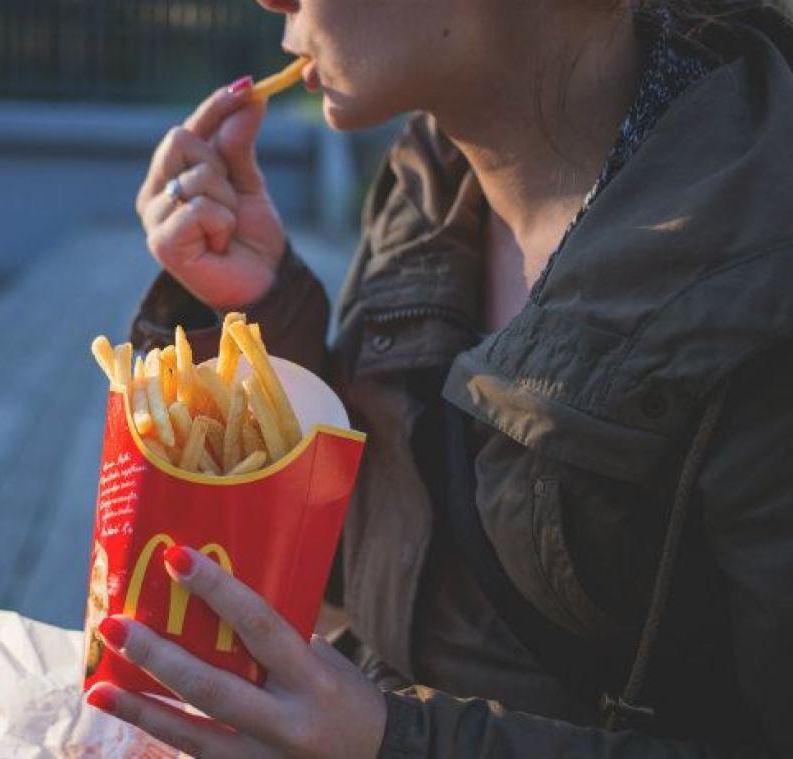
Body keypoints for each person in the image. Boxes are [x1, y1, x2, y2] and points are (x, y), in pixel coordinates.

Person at [83, 0, 793, 756]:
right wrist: (259, 308)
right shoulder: (430, 175)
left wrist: (391, 741)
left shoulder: (761, 266)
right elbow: (388, 578)